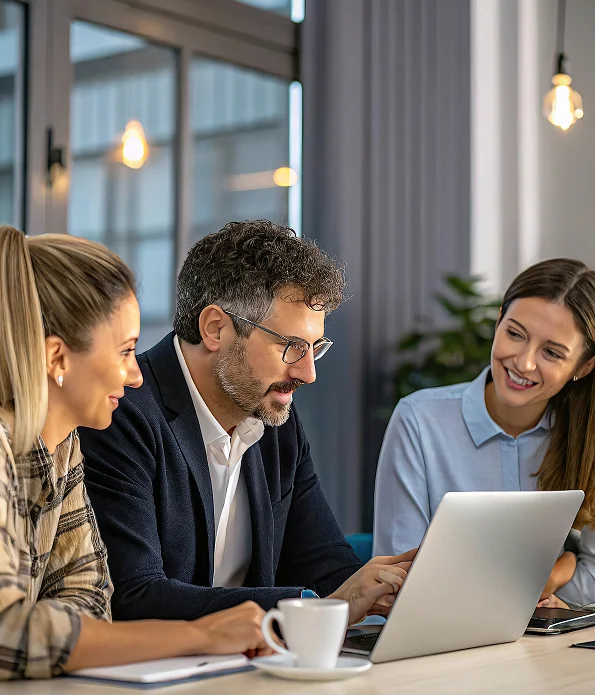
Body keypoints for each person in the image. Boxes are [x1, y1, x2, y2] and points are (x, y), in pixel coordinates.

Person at [0, 226, 270, 682]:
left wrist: (46, 631)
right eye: (125, 351)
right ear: (57, 358)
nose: (136, 376)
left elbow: (93, 601)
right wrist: (202, 635)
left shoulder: (62, 447)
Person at [79, 220, 414, 627]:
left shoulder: (274, 419)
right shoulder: (120, 416)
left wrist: (389, 585)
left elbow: (326, 568)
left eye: (315, 348)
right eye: (291, 346)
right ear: (215, 328)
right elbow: (135, 596)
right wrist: (311, 604)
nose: (308, 373)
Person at [373, 258, 595, 608]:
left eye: (552, 352)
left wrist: (553, 584)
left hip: (563, 644)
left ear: (585, 366)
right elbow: (401, 581)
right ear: (499, 320)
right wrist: (557, 573)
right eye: (515, 333)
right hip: (446, 645)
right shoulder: (418, 421)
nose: (523, 362)